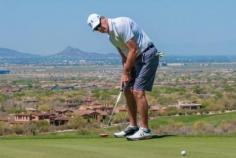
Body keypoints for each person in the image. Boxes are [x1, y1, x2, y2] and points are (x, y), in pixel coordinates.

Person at [87, 13, 160, 140]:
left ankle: (145, 130)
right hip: (134, 60)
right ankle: (133, 127)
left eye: (99, 25)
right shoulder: (111, 38)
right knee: (127, 89)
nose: (100, 29)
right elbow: (124, 57)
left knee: (138, 91)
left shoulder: (120, 24)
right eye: (96, 29)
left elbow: (133, 49)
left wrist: (126, 73)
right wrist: (125, 74)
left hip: (147, 55)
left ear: (103, 18)